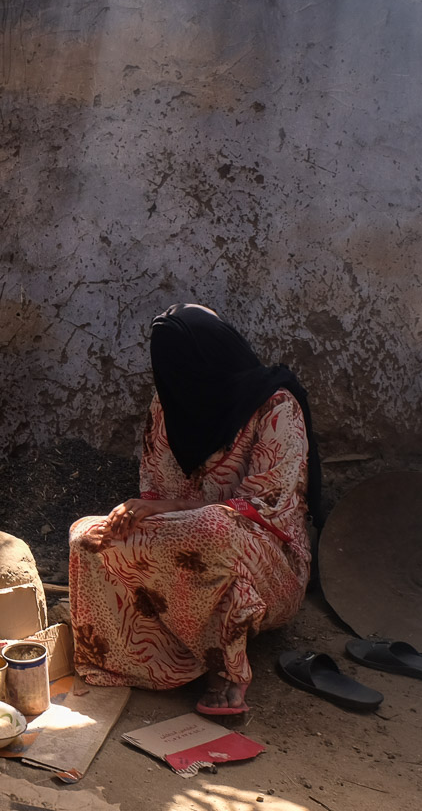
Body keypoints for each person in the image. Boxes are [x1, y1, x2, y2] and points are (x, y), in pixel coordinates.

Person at [68, 303, 322, 716]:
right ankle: (142, 660)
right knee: (88, 536)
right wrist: (136, 514)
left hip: (271, 563)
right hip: (189, 539)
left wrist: (172, 508)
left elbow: (268, 506)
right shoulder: (169, 403)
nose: (173, 376)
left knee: (211, 527)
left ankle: (223, 667)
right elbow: (154, 492)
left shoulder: (276, 406)